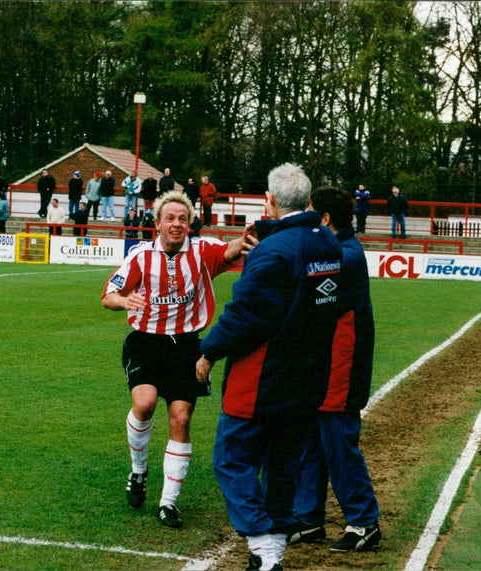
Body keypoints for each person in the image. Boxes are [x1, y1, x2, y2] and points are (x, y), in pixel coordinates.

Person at [195, 163, 343, 571]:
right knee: (283, 464)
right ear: (309, 201)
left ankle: (261, 542)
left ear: (271, 201)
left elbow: (245, 314)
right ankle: (270, 557)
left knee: (232, 458)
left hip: (263, 376)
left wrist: (208, 352)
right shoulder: (328, 243)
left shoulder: (273, 251)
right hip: (309, 374)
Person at [102, 190, 256, 530]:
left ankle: (168, 503)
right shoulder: (141, 257)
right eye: (170, 218)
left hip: (186, 346)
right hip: (145, 343)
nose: (176, 224)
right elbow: (108, 295)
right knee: (145, 404)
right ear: (157, 223)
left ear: (189, 224)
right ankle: (139, 471)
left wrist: (242, 241)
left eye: (182, 219)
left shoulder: (202, 251)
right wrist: (124, 302)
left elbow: (228, 252)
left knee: (181, 418)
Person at [287, 186, 380, 553]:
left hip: (343, 364)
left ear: (324, 219)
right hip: (323, 362)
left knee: (338, 442)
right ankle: (308, 519)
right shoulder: (338, 250)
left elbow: (301, 284)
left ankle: (364, 522)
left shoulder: (345, 256)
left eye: (310, 214)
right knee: (313, 437)